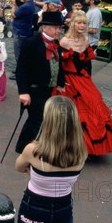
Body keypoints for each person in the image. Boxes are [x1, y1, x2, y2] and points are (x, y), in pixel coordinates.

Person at [15, 96, 88, 223]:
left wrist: (33, 170)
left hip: (35, 205)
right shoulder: (81, 152)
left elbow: (18, 166)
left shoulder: (33, 150)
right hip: (63, 207)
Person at [55, 11, 112, 156]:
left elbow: (87, 64)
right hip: (69, 81)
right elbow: (59, 65)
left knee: (94, 105)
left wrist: (88, 79)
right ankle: (69, 146)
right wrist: (61, 81)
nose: (82, 26)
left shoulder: (86, 40)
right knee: (72, 113)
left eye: (84, 23)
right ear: (72, 24)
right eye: (79, 23)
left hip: (83, 79)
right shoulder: (64, 41)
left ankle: (89, 147)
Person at [15, 11, 64, 154]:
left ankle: (25, 146)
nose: (58, 31)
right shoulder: (31, 43)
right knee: (37, 119)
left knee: (40, 119)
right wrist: (23, 92)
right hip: (34, 89)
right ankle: (35, 150)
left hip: (50, 89)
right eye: (55, 27)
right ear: (44, 27)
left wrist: (60, 83)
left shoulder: (56, 43)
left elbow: (58, 65)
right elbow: (21, 69)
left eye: (59, 27)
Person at [10, 0, 36, 80]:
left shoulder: (26, 6)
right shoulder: (29, 4)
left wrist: (13, 5)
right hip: (24, 31)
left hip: (20, 32)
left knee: (19, 54)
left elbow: (14, 14)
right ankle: (19, 69)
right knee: (21, 53)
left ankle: (20, 73)